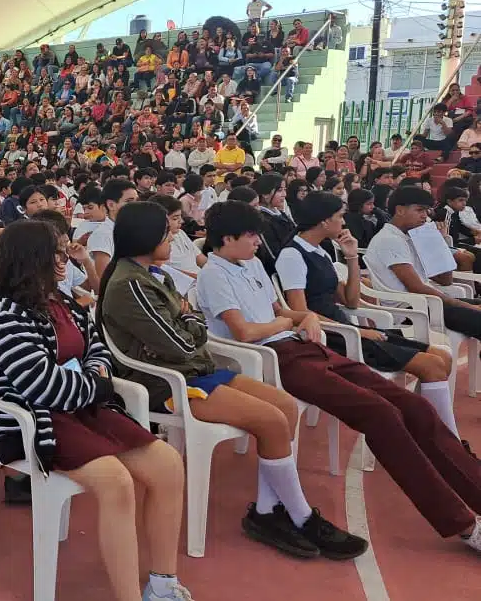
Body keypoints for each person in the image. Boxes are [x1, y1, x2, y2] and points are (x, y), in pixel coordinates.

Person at [198, 200, 481, 553]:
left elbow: (281, 310)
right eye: (252, 235)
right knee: (381, 414)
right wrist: (292, 321)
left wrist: (306, 318)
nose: (259, 241)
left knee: (413, 406)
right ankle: (463, 524)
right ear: (227, 239)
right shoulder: (214, 275)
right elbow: (244, 331)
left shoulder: (252, 264)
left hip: (304, 347)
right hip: (276, 359)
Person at [101, 201, 367, 560]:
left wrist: (189, 319)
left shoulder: (155, 276)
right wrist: (190, 320)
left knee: (285, 405)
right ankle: (301, 517)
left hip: (197, 371)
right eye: (166, 233)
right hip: (167, 384)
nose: (174, 235)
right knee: (271, 420)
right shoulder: (129, 284)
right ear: (145, 238)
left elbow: (189, 321)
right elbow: (182, 340)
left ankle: (268, 513)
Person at [0, 220, 195, 601]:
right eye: (58, 252)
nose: (66, 258)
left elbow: (97, 348)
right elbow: (40, 386)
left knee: (167, 464)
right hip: (29, 419)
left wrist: (96, 378)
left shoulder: (58, 300)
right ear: (34, 260)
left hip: (79, 407)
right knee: (116, 481)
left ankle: (162, 584)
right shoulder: (4, 313)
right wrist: (98, 385)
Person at [277, 191, 463, 440]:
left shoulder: (320, 250)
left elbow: (351, 301)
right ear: (323, 221)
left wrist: (352, 257)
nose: (343, 222)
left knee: (442, 356)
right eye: (339, 217)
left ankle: (426, 427)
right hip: (333, 336)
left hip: (347, 326)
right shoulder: (293, 255)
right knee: (432, 365)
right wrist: (359, 331)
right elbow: (302, 314)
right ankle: (444, 438)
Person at [365, 186, 481, 341]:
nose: (425, 217)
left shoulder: (411, 235)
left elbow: (445, 280)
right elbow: (416, 288)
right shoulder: (389, 240)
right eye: (419, 210)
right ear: (400, 210)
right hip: (411, 309)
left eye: (426, 211)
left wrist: (437, 242)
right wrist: (467, 307)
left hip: (429, 301)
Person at [87, 179, 139, 284]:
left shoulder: (129, 230)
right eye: (129, 201)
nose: (136, 206)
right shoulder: (102, 235)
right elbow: (104, 278)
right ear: (111, 205)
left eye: (137, 201)